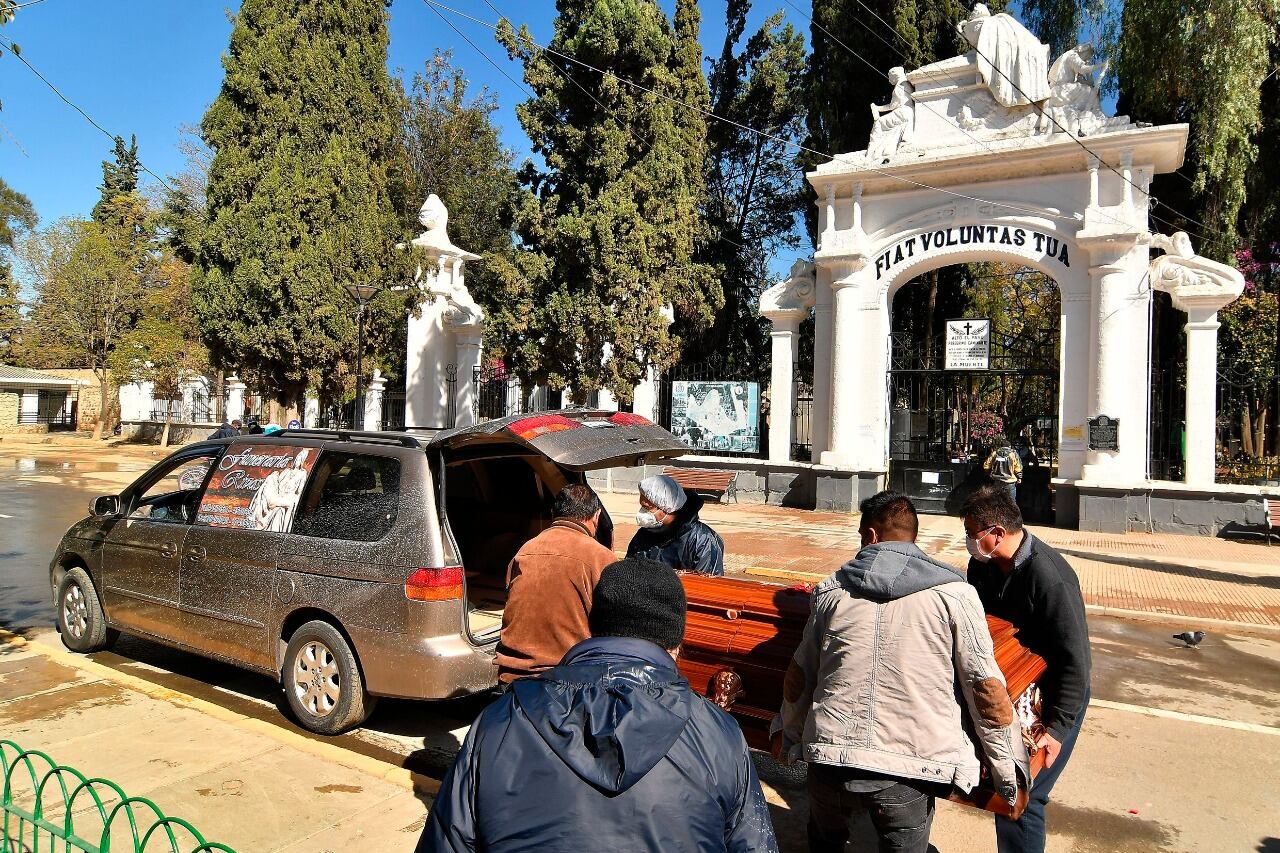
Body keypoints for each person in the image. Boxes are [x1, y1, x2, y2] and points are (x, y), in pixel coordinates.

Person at [417, 557, 779, 853]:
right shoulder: (718, 734)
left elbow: (447, 841)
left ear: (595, 625)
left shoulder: (501, 721)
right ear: (676, 643)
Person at [775, 491, 1025, 853]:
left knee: (825, 843)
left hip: (830, 760)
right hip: (909, 771)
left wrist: (787, 738)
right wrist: (1008, 774)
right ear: (913, 537)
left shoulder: (832, 591)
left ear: (871, 536)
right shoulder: (956, 595)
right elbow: (985, 690)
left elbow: (799, 678)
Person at [963, 487, 1091, 853]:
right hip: (1013, 687)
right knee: (1005, 789)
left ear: (997, 533)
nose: (970, 542)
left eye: (972, 533)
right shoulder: (983, 565)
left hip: (1055, 696)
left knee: (1024, 796)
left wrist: (1057, 729)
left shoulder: (1050, 578)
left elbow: (1075, 662)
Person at [495, 484, 616, 684]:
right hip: (568, 679)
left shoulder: (526, 549)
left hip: (512, 675)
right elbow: (615, 625)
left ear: (554, 513)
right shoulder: (601, 557)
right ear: (596, 516)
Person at [626, 474, 725, 576]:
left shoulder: (701, 540)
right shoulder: (645, 533)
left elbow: (706, 582)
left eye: (647, 508)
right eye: (642, 507)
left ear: (666, 508)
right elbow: (629, 570)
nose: (642, 512)